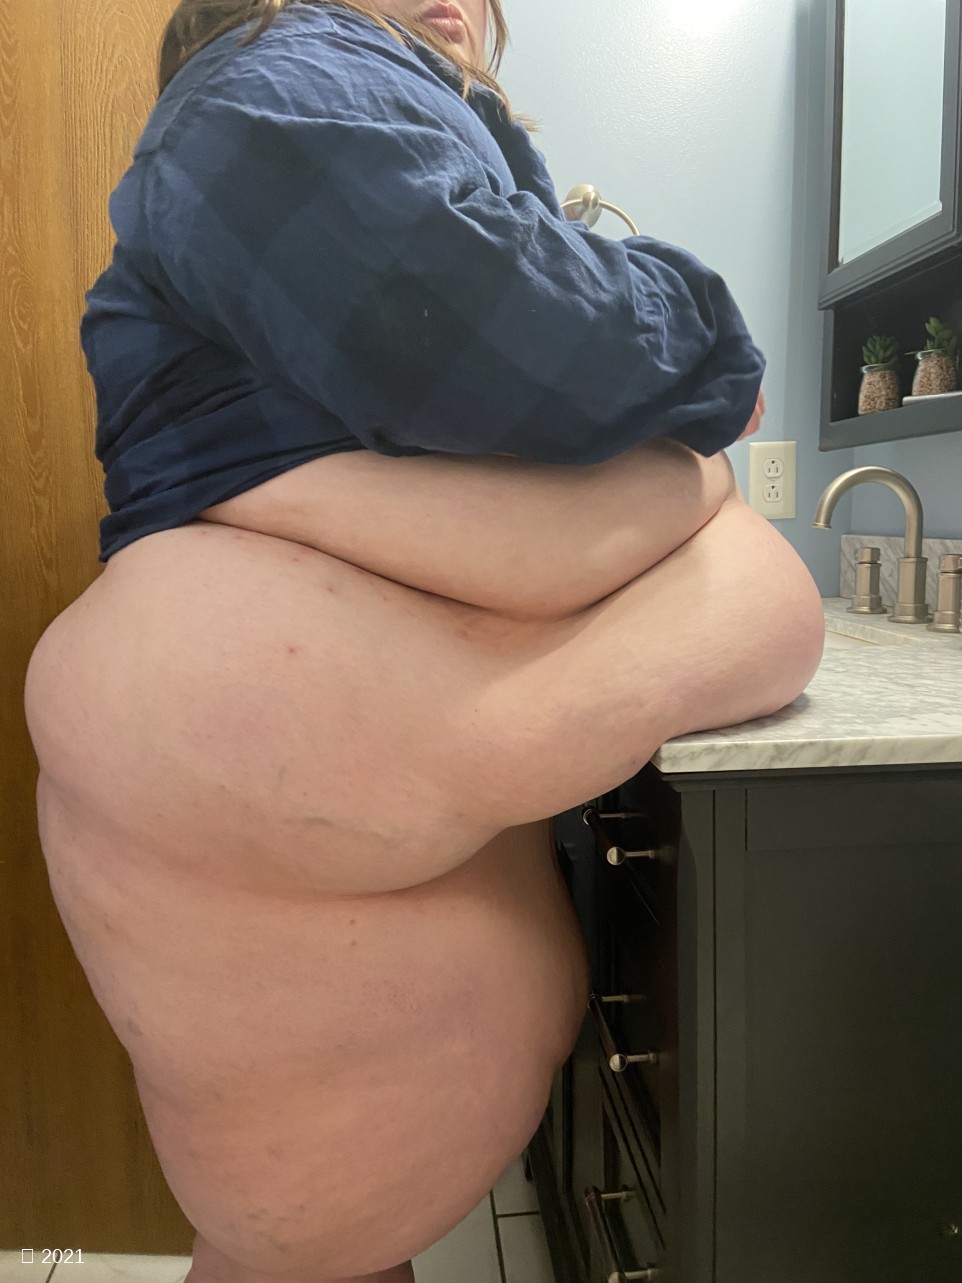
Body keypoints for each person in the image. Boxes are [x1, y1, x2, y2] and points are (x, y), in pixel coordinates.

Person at [23, 2, 824, 1280]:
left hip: (286, 924)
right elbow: (513, 336)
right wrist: (696, 423)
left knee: (297, 1246)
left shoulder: (309, 145)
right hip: (248, 717)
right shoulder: (277, 77)